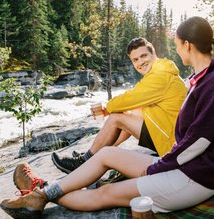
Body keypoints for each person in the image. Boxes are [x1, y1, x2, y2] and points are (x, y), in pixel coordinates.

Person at [0, 16, 214, 218]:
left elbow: (200, 140)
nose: (177, 50)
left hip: (193, 178)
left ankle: (39, 192)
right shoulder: (201, 79)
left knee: (106, 193)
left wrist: (157, 168)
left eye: (178, 44)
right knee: (106, 155)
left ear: (187, 45)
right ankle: (41, 193)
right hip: (181, 166)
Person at [51, 37, 187, 175]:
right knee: (128, 113)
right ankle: (96, 153)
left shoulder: (160, 76)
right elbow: (133, 100)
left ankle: (84, 161)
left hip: (170, 141)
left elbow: (130, 97)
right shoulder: (161, 70)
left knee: (116, 118)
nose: (140, 62)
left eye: (143, 56)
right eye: (135, 60)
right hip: (169, 130)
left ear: (154, 54)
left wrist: (107, 108)